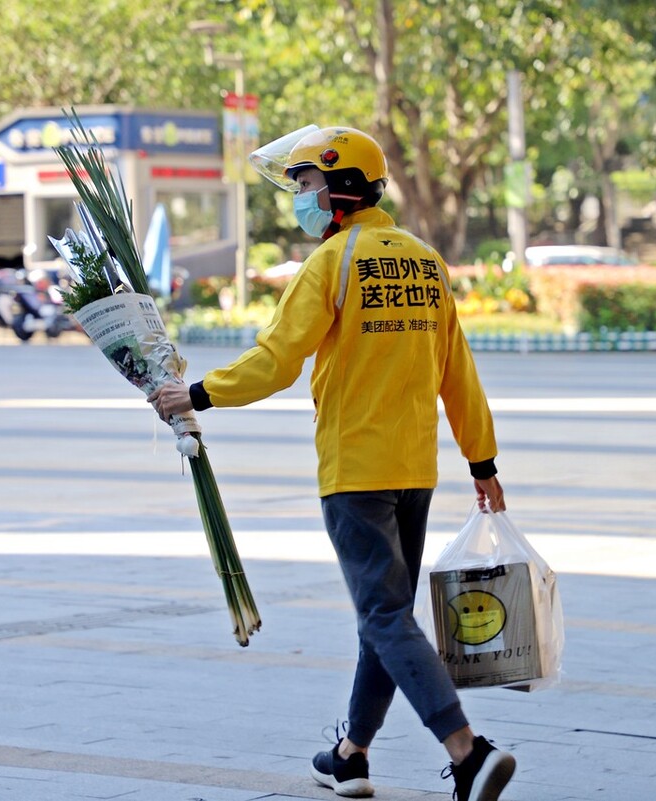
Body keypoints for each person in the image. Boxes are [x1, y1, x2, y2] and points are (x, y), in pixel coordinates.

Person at [150, 125, 514, 801]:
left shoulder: (335, 262)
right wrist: (482, 458)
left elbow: (276, 360)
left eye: (306, 183)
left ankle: (467, 749)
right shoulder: (424, 261)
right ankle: (351, 754)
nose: (299, 197)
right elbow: (458, 373)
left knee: (383, 614)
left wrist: (196, 392)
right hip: (414, 469)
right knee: (386, 613)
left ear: (341, 186)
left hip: (355, 472)